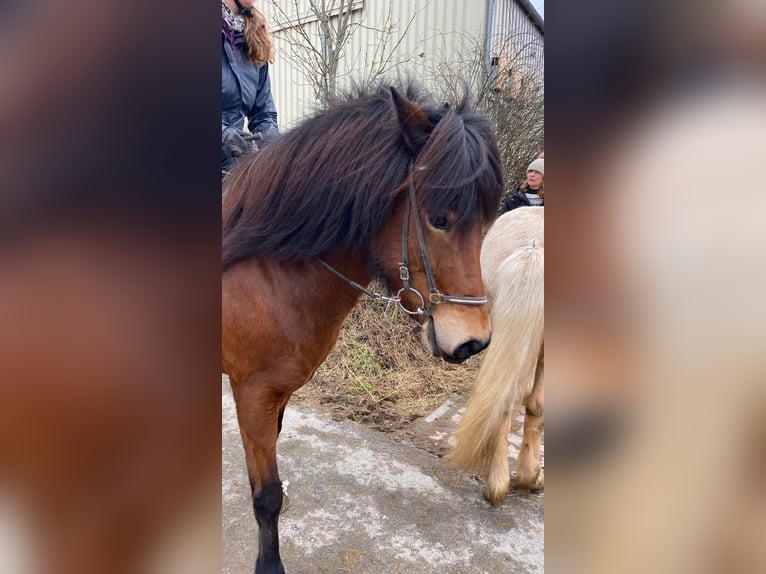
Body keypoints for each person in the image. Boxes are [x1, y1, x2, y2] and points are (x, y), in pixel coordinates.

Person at [222, 0, 278, 170]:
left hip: (232, 164)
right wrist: (222, 135)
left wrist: (271, 147)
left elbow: (264, 114)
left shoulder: (255, 38)